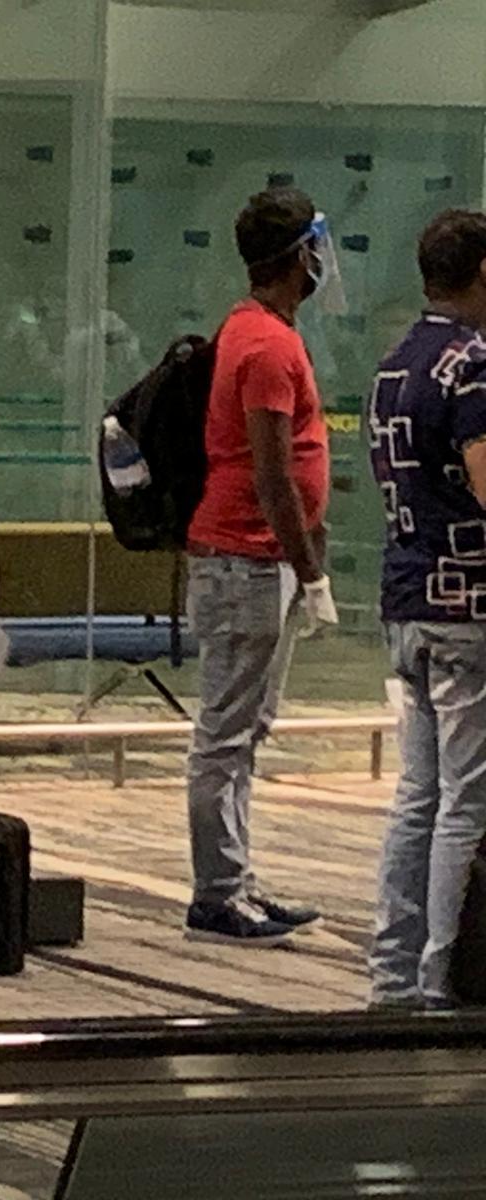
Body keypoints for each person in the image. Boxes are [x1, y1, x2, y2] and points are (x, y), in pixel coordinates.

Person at [183, 187, 336, 947]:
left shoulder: (258, 331)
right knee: (224, 735)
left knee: (246, 732)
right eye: (315, 249)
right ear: (297, 256)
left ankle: (236, 879)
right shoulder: (267, 346)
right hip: (245, 559)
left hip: (258, 559)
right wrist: (311, 569)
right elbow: (273, 474)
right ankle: (216, 894)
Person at [368, 209, 486, 1009]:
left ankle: (392, 974)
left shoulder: (396, 362)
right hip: (467, 605)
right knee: (466, 801)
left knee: (418, 796)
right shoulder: (473, 365)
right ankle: (442, 977)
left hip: (407, 599)